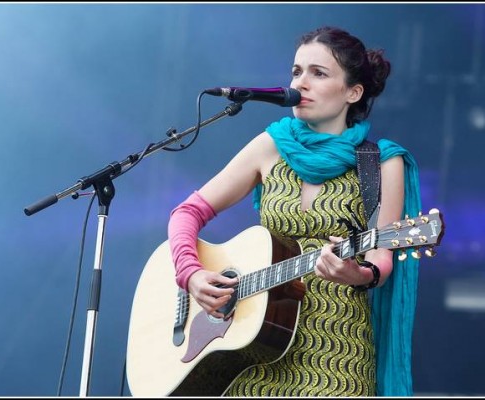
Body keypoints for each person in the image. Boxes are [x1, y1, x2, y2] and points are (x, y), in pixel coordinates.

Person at [167, 26, 421, 397]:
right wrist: (190, 274)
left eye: (319, 73)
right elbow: (187, 213)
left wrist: (358, 274)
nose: (301, 83)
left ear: (353, 92)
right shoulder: (270, 145)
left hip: (336, 353)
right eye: (297, 71)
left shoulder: (381, 162)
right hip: (252, 352)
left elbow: (382, 258)